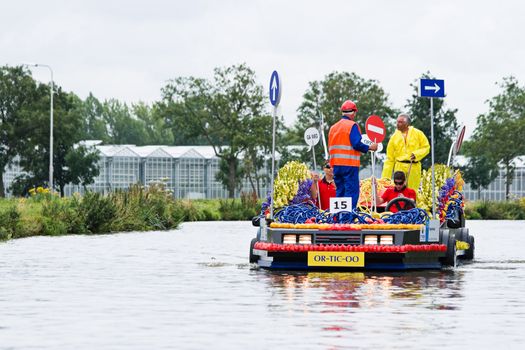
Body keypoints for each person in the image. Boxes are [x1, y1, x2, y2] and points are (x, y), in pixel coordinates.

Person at [328, 100, 378, 209]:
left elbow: (331, 148)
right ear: (354, 112)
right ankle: (347, 219)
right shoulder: (352, 125)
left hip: (336, 166)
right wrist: (370, 147)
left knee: (340, 191)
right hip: (349, 165)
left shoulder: (333, 128)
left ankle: (338, 218)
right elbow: (356, 144)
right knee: (351, 191)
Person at [381, 113, 430, 191]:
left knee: (412, 192)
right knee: (399, 191)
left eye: (401, 122)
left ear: (407, 124)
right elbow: (389, 159)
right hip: (399, 166)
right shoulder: (394, 137)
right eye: (397, 122)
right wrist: (385, 178)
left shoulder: (418, 133)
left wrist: (416, 154)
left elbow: (426, 147)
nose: (398, 124)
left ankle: (412, 203)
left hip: (413, 166)